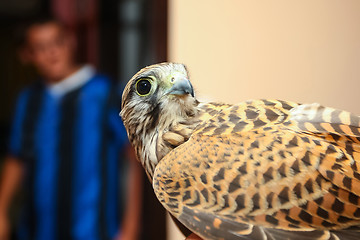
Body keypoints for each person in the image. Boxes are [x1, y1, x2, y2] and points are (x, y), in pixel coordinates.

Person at [0, 18, 142, 240]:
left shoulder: (106, 93)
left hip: (95, 229)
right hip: (38, 230)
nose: (52, 52)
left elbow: (134, 158)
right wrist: (2, 211)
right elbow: (17, 157)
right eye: (41, 47)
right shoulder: (28, 100)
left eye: (57, 42)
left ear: (71, 41)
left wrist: (131, 227)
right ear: (28, 55)